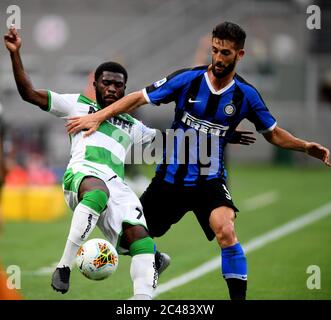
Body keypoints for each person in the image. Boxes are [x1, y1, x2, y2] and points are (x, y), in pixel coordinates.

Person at [66, 21, 331, 300]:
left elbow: (273, 133)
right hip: (169, 180)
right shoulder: (187, 80)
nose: (218, 58)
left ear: (240, 55)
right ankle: (155, 260)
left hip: (209, 180)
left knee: (226, 230)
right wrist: (98, 116)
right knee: (128, 239)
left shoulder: (246, 95)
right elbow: (137, 99)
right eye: (215, 50)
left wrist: (305, 147)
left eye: (225, 53)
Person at [4, 26, 163, 300]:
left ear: (125, 88)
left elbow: (171, 142)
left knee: (143, 241)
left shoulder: (134, 125)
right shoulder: (76, 105)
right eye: (106, 83)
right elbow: (28, 93)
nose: (112, 88)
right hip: (82, 177)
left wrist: (223, 132)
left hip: (119, 189)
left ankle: (142, 297)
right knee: (98, 191)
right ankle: (64, 266)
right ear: (96, 85)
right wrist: (16, 54)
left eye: (118, 85)